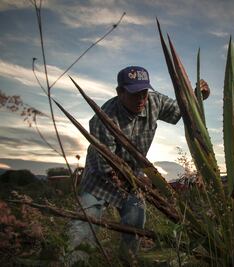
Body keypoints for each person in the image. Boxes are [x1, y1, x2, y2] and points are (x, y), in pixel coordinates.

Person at [66, 66, 210, 264]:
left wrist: (197, 97)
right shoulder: (104, 117)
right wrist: (143, 182)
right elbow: (105, 166)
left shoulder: (154, 101)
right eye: (135, 94)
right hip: (99, 178)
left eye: (144, 92)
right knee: (84, 227)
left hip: (133, 178)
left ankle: (128, 261)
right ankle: (75, 263)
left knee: (135, 225)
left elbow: (181, 111)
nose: (141, 99)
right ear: (120, 92)